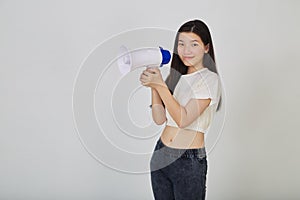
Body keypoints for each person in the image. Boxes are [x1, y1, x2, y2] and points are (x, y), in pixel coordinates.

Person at [139, 19, 222, 200]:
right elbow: (160, 118)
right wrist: (155, 84)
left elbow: (183, 120)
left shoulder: (209, 79)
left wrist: (160, 86)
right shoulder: (176, 77)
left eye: (194, 44)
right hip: (160, 154)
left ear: (206, 48)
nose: (186, 50)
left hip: (188, 161)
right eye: (181, 44)